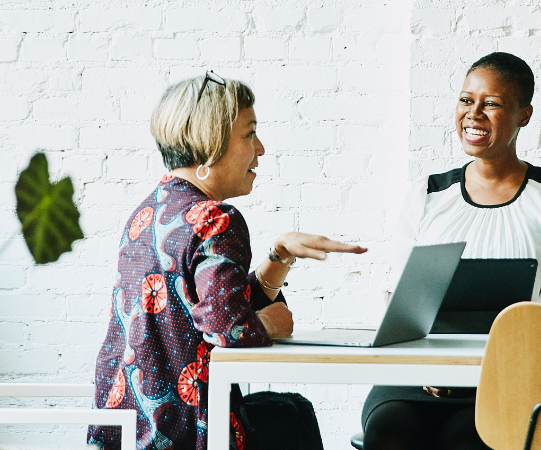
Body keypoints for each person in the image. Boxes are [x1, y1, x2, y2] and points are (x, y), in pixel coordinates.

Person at [87, 71, 367, 450]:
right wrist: (266, 324)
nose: (261, 149)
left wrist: (279, 255)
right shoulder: (217, 217)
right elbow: (227, 331)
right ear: (210, 143)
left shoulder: (149, 212)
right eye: (249, 134)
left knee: (286, 412)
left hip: (129, 428)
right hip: (188, 430)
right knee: (291, 415)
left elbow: (208, 308)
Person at [361, 52, 541, 449]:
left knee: (466, 440)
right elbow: (396, 295)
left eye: (492, 103)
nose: (474, 114)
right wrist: (424, 364)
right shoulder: (428, 194)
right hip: (418, 378)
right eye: (467, 100)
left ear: (524, 115)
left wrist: (499, 368)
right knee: (390, 435)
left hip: (509, 379)